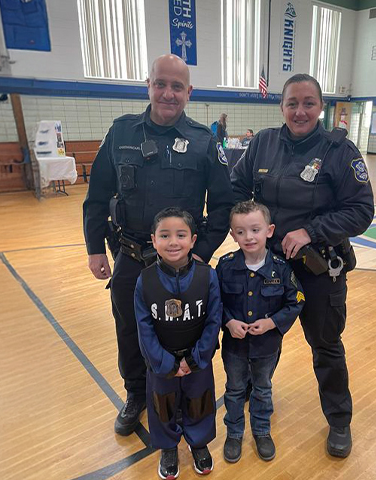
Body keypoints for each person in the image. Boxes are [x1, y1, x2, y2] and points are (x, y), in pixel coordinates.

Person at [83, 54, 233, 437]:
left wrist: (201, 253)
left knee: (185, 331)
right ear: (147, 85)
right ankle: (136, 395)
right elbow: (97, 194)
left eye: (177, 87)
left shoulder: (203, 141)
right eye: (160, 84)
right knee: (131, 331)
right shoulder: (122, 132)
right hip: (131, 258)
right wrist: (95, 248)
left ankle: (183, 396)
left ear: (189, 92)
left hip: (185, 264)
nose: (168, 93)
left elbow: (221, 205)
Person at [230, 73, 374, 458]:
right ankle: (256, 392)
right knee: (262, 338)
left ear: (321, 107)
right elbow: (237, 187)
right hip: (269, 269)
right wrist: (245, 227)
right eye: (292, 102)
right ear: (281, 106)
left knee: (326, 346)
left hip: (318, 269)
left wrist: (311, 231)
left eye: (308, 103)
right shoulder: (262, 143)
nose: (300, 111)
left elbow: (362, 211)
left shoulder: (339, 151)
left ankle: (339, 420)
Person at [134, 207, 222, 478]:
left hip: (198, 359)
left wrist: (196, 357)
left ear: (193, 240)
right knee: (163, 404)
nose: (173, 242)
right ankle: (168, 446)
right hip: (162, 362)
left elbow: (214, 319)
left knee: (200, 401)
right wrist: (164, 362)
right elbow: (144, 326)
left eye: (180, 235)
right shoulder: (145, 280)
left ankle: (199, 442)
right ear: (154, 240)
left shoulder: (208, 276)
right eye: (165, 235)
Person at [216, 201, 304, 463]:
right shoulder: (226, 265)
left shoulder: (281, 267)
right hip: (234, 347)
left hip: (267, 347)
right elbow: (214, 302)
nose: (248, 237)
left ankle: (262, 431)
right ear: (232, 235)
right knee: (233, 390)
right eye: (240, 232)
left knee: (263, 389)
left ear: (269, 230)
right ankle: (234, 433)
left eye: (255, 230)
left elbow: (296, 300)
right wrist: (228, 322)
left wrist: (272, 323)